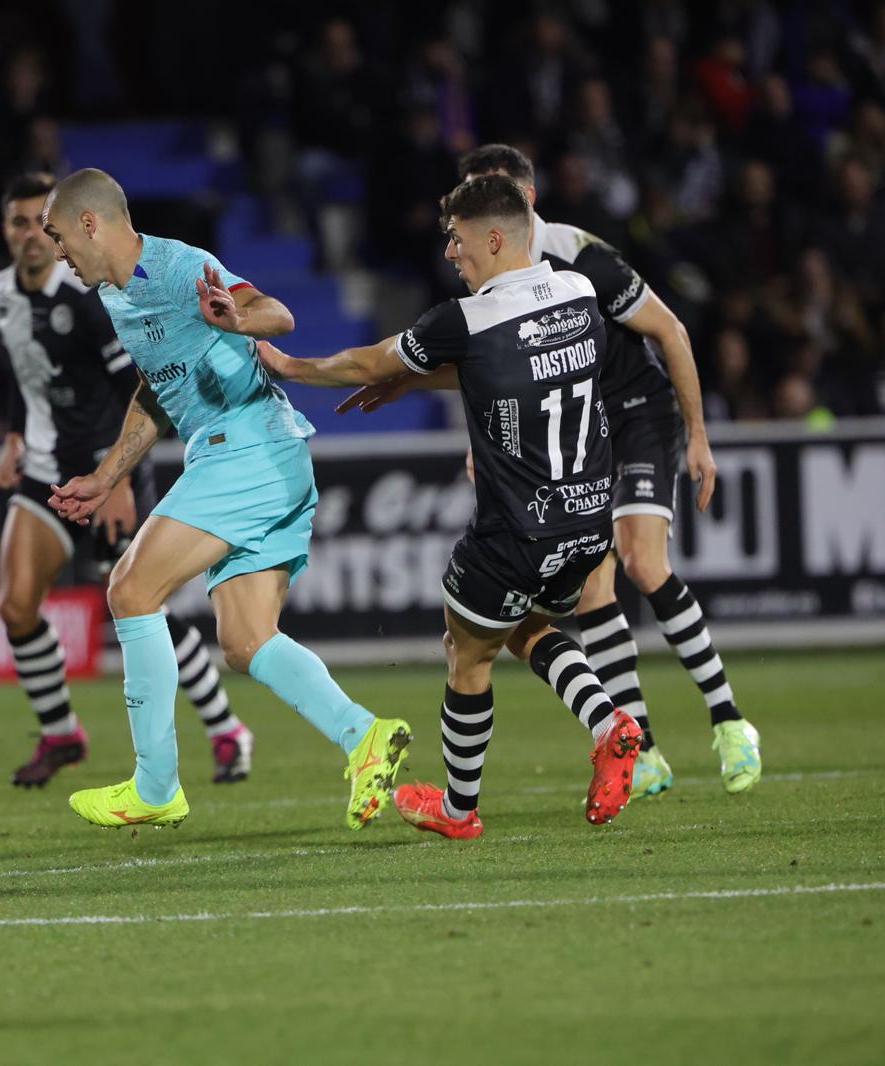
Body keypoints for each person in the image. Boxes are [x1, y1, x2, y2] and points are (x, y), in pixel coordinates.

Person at [256, 176, 641, 839]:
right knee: (527, 632)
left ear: (494, 239)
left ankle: (459, 811)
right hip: (586, 520)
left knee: (467, 656)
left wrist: (292, 367)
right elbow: (520, 361)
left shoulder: (465, 319)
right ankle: (611, 722)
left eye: (458, 242)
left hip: (516, 528)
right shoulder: (580, 293)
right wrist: (412, 382)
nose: (451, 256)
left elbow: (367, 361)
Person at [41, 168, 411, 831]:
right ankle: (365, 737)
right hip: (264, 458)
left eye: (59, 236)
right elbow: (157, 389)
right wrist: (107, 476)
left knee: (130, 591)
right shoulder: (118, 297)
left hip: (246, 451)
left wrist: (238, 317)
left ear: (89, 223)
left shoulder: (179, 264)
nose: (58, 252)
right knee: (243, 641)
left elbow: (279, 315)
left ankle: (155, 787)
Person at [453, 144, 760, 796]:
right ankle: (642, 748)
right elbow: (495, 371)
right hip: (581, 427)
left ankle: (730, 721)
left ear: (523, 200)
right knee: (593, 590)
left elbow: (670, 330)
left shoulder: (579, 254)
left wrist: (699, 437)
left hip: (637, 413)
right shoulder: (486, 273)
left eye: (492, 194)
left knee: (644, 563)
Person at [0, 173, 253, 787]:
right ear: (4, 229)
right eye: (19, 223)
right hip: (48, 469)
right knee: (15, 604)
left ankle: (225, 728)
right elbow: (24, 372)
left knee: (139, 601)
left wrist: (119, 478)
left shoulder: (88, 293)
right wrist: (14, 436)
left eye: (40, 225)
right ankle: (61, 734)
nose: (32, 237)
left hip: (105, 465)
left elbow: (134, 384)